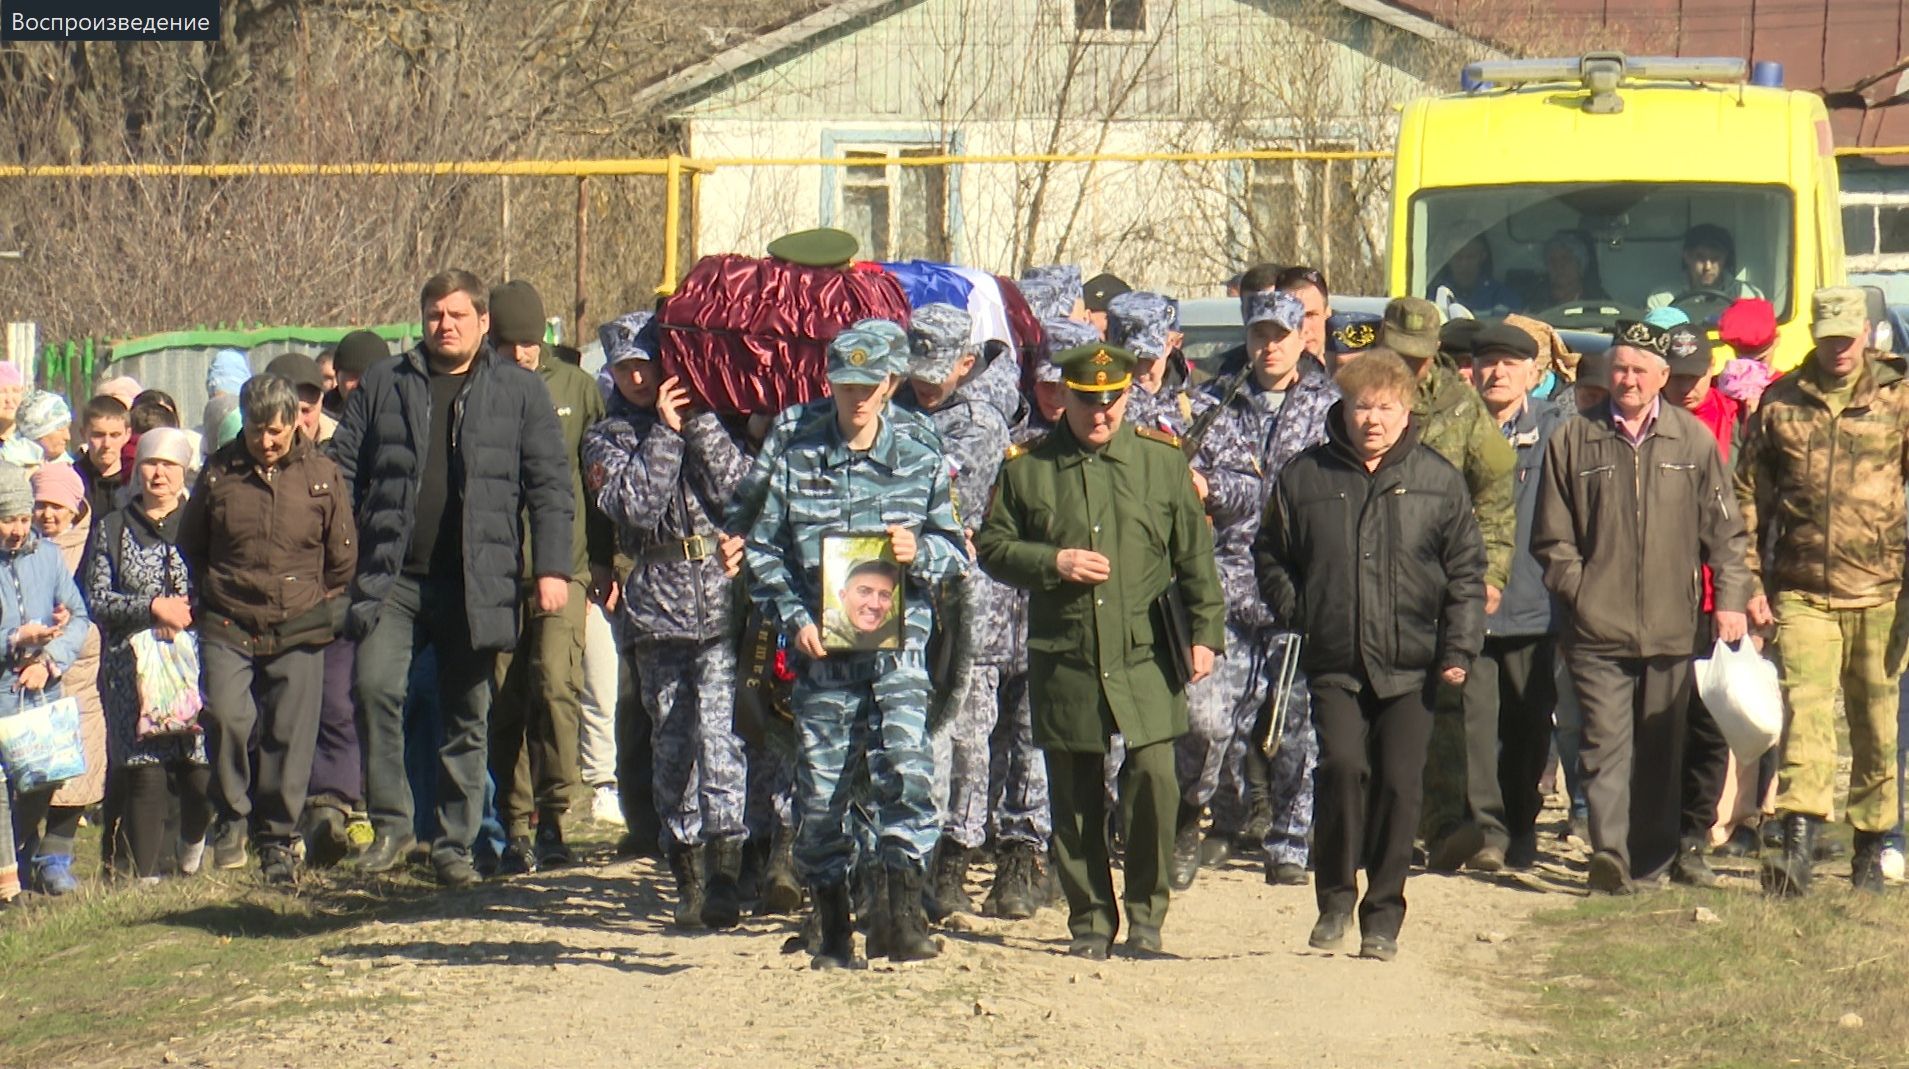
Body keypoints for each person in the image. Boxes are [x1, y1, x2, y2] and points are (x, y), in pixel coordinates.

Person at [976, 342, 1225, 961]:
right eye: (1090, 402)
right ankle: (1089, 920)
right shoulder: (1028, 469)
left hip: (1144, 653)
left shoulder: (1161, 464)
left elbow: (1194, 555)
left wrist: (1205, 633)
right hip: (1068, 654)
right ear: (1065, 397)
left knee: (1153, 777)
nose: (1103, 414)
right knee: (1075, 793)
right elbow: (992, 547)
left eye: (1114, 402)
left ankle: (1146, 915)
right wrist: (1051, 562)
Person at [328, 269, 573, 888]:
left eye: (458, 315)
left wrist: (551, 568)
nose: (445, 325)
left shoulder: (518, 391)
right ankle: (392, 827)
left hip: (477, 581)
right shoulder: (386, 383)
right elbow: (341, 475)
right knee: (376, 688)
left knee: (468, 711)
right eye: (435, 314)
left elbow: (550, 488)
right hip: (393, 579)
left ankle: (455, 847)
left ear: (482, 321)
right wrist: (341, 559)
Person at [745, 324, 970, 968]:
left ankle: (901, 919)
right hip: (825, 657)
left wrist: (918, 550)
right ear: (830, 384)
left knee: (906, 769)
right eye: (846, 385)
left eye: (870, 386)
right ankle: (832, 926)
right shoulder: (798, 458)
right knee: (820, 792)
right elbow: (762, 554)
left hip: (899, 652)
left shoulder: (921, 457)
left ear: (890, 384)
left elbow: (956, 556)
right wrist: (794, 617)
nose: (858, 398)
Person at [1256, 350, 1485, 961]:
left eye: (1385, 407)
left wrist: (1459, 646)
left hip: (1413, 665)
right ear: (1344, 407)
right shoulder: (1305, 477)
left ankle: (1382, 912)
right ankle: (1334, 895)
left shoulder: (1438, 480)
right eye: (1362, 406)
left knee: (1399, 785)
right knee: (1342, 770)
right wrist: (1299, 609)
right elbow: (1270, 555)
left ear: (1406, 409)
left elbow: (1466, 572)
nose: (1373, 419)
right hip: (1335, 659)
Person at [1531, 318, 1753, 894]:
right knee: (1604, 746)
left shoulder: (1693, 442)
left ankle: (1650, 864)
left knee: (1660, 749)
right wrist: (1579, 592)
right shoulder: (1574, 439)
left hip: (1672, 627)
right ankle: (1609, 854)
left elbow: (1726, 535)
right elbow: (1552, 540)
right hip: (1595, 629)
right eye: (1619, 369)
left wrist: (1729, 599)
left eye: (1638, 371)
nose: (1627, 380)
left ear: (1661, 377)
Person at [585, 307, 755, 926]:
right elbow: (631, 505)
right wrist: (663, 433)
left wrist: (700, 425)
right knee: (673, 743)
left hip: (720, 597)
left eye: (646, 364)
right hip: (656, 606)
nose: (637, 378)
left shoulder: (711, 419)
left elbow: (744, 491)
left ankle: (727, 874)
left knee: (722, 736)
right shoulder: (608, 438)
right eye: (625, 368)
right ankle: (684, 869)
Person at [1736, 287, 1909, 895]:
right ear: (1814, 334)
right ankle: (1798, 844)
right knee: (1805, 715)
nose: (1838, 347)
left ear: (1867, 332)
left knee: (1875, 723)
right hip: (1802, 588)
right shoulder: (1780, 403)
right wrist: (1751, 582)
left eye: (1848, 335)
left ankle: (1870, 847)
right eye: (1828, 336)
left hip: (1882, 590)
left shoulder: (1899, 397)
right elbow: (1746, 498)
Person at [1107, 290, 1262, 888]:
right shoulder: (1103, 411)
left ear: (1173, 343)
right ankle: (1130, 828)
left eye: (1151, 351)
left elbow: (1252, 493)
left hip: (1189, 589)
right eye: (1130, 353)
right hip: (1123, 588)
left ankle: (1186, 817)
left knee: (1204, 721)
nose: (1142, 366)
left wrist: (1206, 488)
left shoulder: (1204, 409)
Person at [178, 374, 357, 885]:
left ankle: (278, 838)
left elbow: (342, 558)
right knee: (229, 718)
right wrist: (216, 591)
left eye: (276, 431)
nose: (267, 441)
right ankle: (233, 816)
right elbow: (194, 544)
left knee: (287, 733)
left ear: (293, 424)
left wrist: (314, 601)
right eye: (257, 431)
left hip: (300, 621)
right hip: (229, 620)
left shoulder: (322, 474)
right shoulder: (219, 473)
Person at [1192, 289, 1333, 883]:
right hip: (1225, 580)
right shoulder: (1213, 404)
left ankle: (1289, 841)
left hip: (1295, 585)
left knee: (1295, 721)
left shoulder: (1330, 408)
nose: (1268, 347)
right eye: (1258, 336)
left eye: (1280, 335)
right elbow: (1186, 478)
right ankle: (1220, 819)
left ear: (1303, 337)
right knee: (1211, 720)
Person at [1373, 297, 1516, 873]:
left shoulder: (1460, 407)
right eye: (1396, 355)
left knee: (1447, 703)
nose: (1406, 368)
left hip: (1440, 577)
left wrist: (1491, 570)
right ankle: (1386, 828)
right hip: (1373, 574)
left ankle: (1446, 826)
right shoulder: (1360, 393)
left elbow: (1496, 486)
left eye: (1417, 358)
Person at [483, 280, 612, 874]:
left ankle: (556, 815)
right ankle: (515, 827)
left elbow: (600, 483)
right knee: (506, 699)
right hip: (499, 573)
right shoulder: (480, 387)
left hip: (567, 568)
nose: (523, 354)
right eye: (512, 343)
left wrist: (610, 563)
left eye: (532, 342)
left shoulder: (577, 389)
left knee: (555, 687)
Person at [894, 302, 1017, 918]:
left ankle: (954, 860)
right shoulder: (891, 411)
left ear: (967, 364)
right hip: (894, 594)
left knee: (966, 735)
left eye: (937, 370)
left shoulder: (979, 423)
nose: (923, 381)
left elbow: (949, 503)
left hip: (959, 598)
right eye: (915, 367)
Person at [87, 428, 214, 881]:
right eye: (150, 463)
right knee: (145, 771)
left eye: (169, 465)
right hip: (132, 667)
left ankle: (193, 843)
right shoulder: (114, 529)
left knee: (199, 769)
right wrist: (150, 608)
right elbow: (97, 599)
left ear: (184, 472)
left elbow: (222, 584)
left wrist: (187, 614)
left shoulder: (203, 521)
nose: (158, 474)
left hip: (193, 662)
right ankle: (143, 877)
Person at [1465, 322, 1569, 870]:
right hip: (1467, 605)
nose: (1497, 372)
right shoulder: (1455, 429)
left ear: (1534, 372)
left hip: (1533, 601)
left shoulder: (1555, 432)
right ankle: (1488, 831)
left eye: (1510, 362)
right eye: (1488, 361)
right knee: (1476, 725)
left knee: (1529, 724)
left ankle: (1523, 825)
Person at [0, 463, 93, 896]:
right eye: (8, 519)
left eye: (23, 518)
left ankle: (24, 858)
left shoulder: (48, 556)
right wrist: (14, 638)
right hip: (3, 689)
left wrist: (50, 659)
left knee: (43, 778)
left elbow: (77, 616)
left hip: (41, 688)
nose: (18, 530)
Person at [1648, 223, 1763, 313]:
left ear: (1725, 259)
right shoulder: (1662, 300)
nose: (1707, 267)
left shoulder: (1747, 296)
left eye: (1715, 258)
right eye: (1700, 257)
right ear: (1687, 257)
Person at [1430, 230, 1518, 315]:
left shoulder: (1501, 295)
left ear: (1482, 257)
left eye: (1470, 257)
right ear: (1448, 258)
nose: (1464, 264)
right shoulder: (1435, 296)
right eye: (1457, 257)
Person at [76, 395, 131, 521]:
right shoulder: (71, 479)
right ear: (84, 434)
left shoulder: (134, 481)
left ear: (127, 435)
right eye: (98, 435)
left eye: (114, 435)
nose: (107, 444)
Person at [264, 351, 338, 442]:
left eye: (305, 411)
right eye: (288, 412)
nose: (297, 423)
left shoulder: (346, 446)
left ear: (320, 403)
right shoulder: (247, 448)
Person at [1532, 231, 1605, 308]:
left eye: (1566, 259)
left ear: (1580, 265)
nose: (1558, 266)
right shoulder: (1538, 301)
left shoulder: (1599, 302)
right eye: (1552, 261)